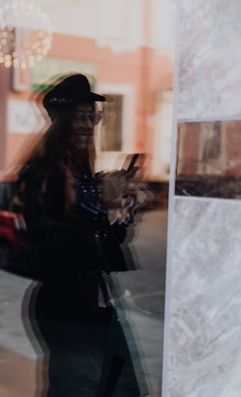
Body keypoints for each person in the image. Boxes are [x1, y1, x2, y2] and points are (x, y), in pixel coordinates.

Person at [13, 73, 145, 396]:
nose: (88, 124)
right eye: (79, 116)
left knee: (122, 386)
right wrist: (101, 198)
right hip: (63, 306)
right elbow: (50, 243)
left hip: (94, 303)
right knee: (75, 389)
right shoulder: (38, 174)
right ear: (61, 121)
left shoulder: (82, 175)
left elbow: (102, 243)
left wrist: (126, 212)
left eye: (93, 116)